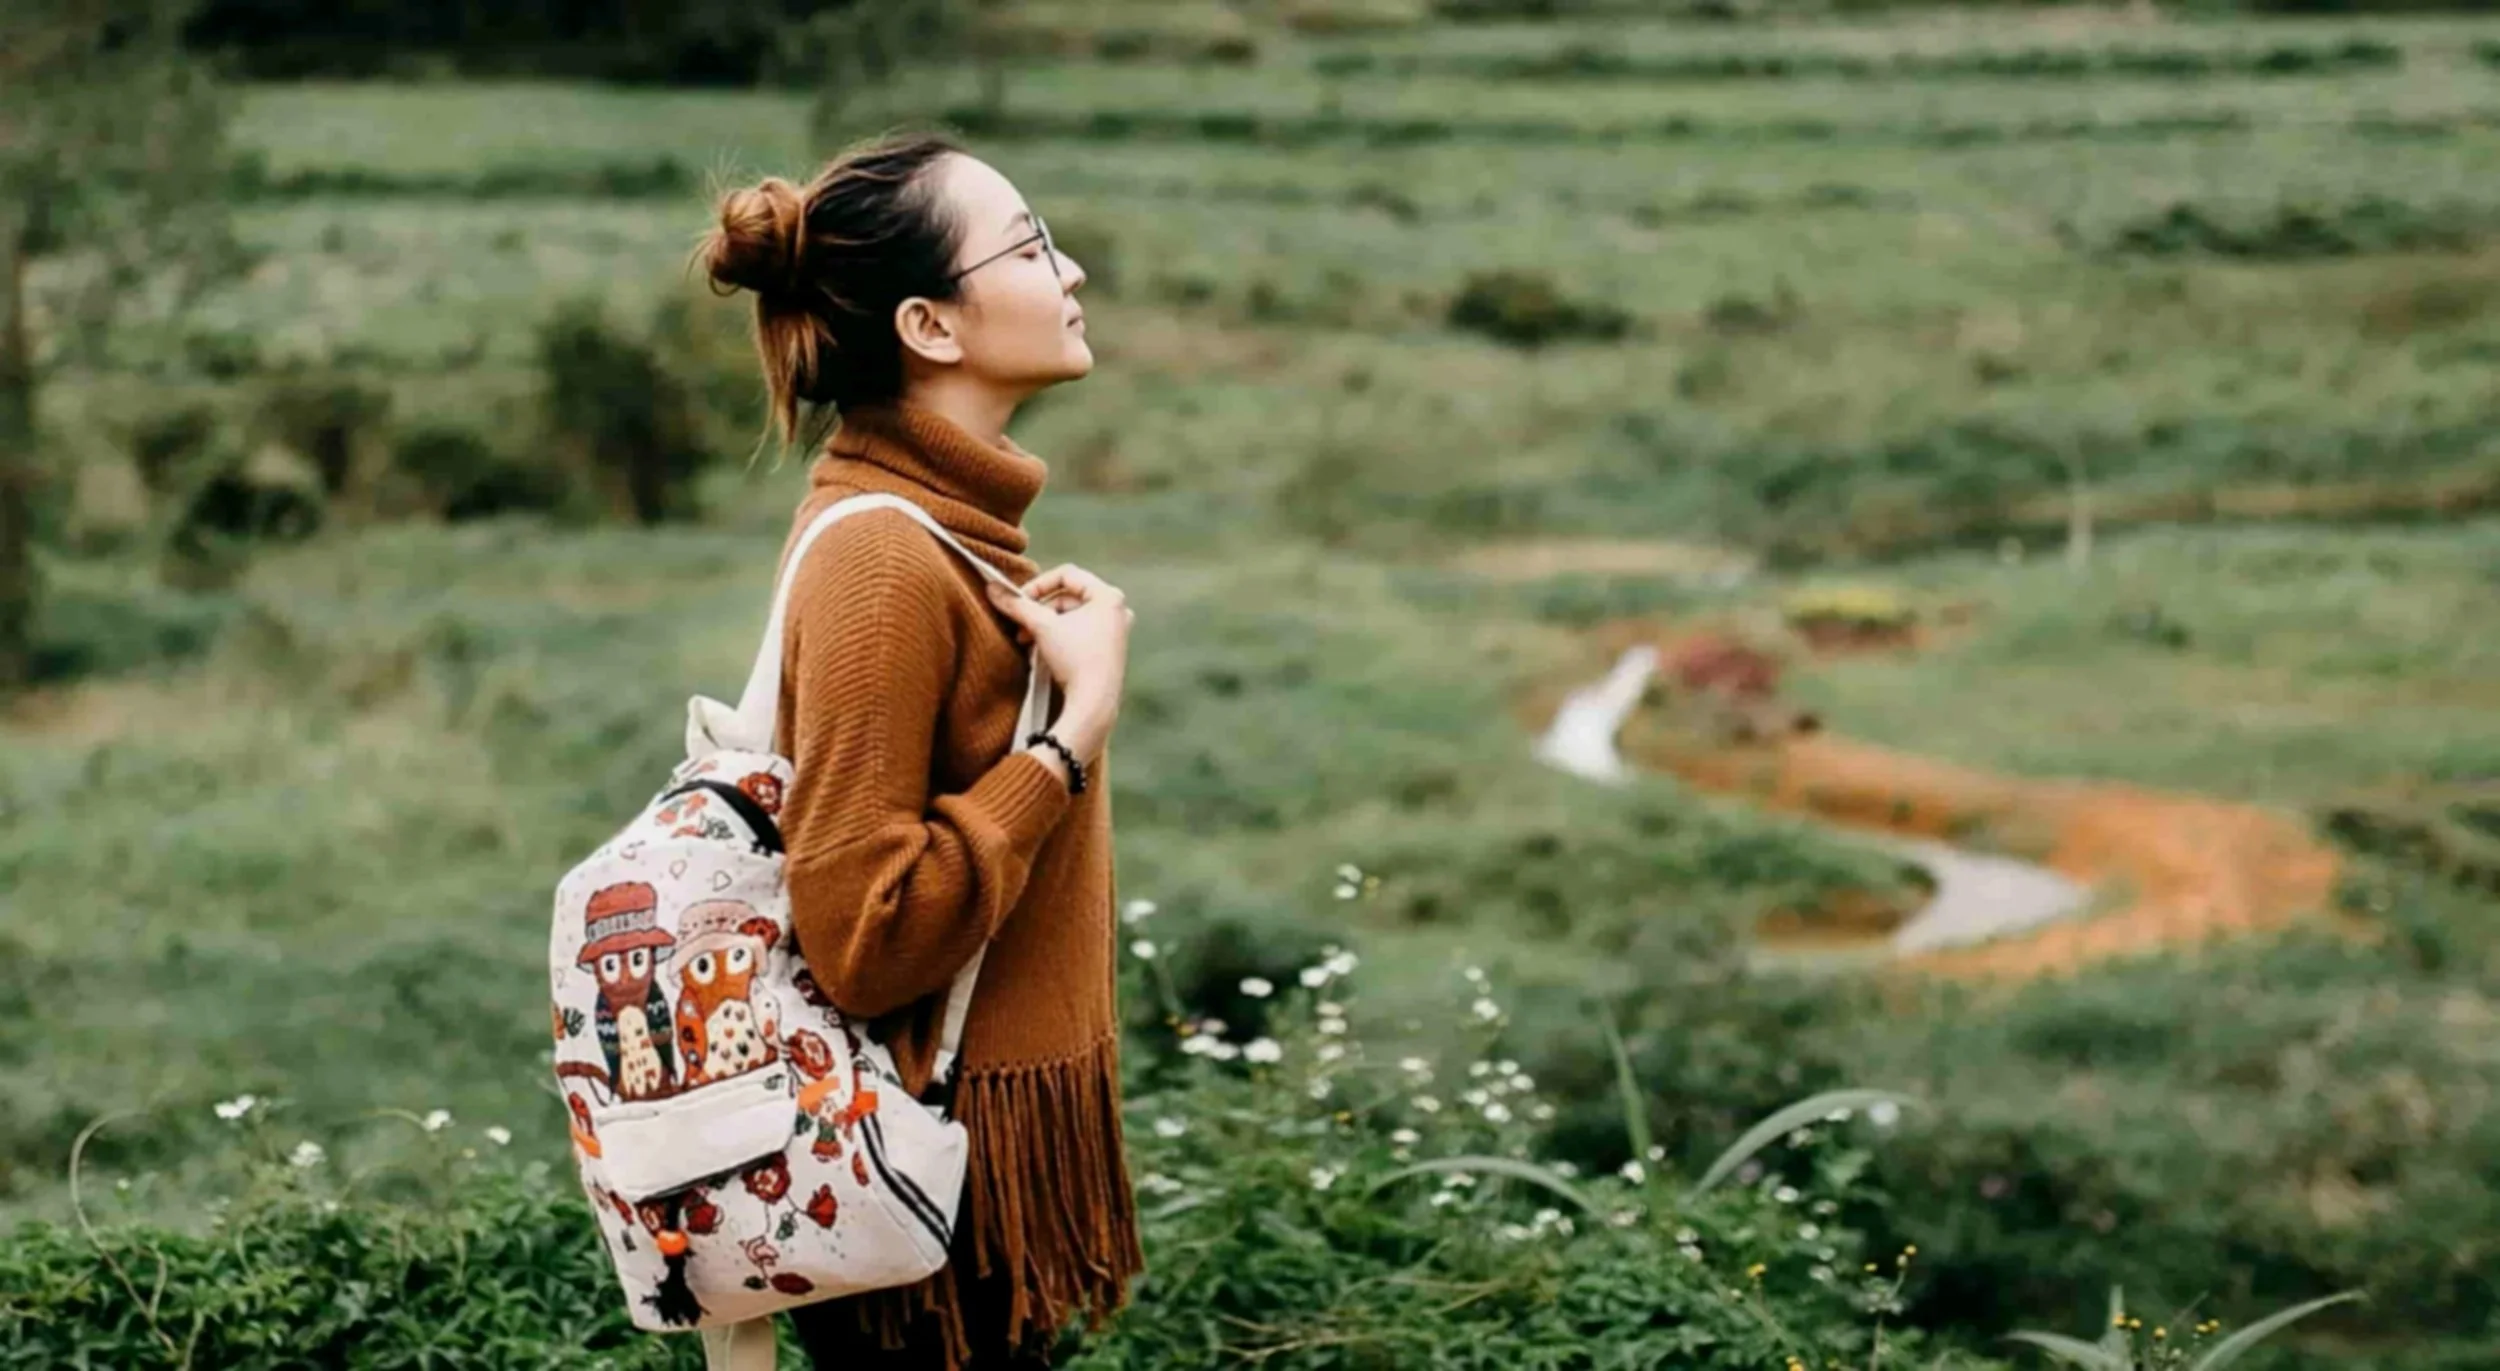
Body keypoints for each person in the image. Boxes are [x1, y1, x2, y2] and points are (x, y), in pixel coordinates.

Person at [691, 131, 1143, 1370]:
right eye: (1032, 245)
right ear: (930, 327)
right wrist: (1070, 735)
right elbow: (865, 933)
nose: (1074, 269)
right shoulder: (883, 562)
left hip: (959, 1195)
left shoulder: (954, 534)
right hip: (917, 1200)